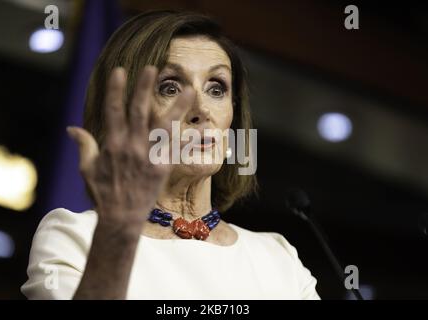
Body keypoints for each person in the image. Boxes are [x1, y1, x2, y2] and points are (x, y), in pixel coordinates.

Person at [21, 10, 320, 300]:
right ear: (125, 112)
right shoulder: (76, 237)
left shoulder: (279, 260)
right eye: (170, 87)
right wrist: (119, 235)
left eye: (216, 89)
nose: (201, 110)